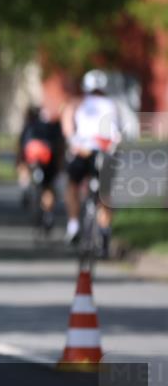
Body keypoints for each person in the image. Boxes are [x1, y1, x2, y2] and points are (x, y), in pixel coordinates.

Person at [61, 69, 122, 256]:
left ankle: (73, 225)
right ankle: (104, 231)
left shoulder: (78, 103)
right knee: (105, 194)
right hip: (105, 153)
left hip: (83, 152)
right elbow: (117, 133)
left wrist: (73, 142)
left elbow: (68, 127)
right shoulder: (113, 105)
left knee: (72, 186)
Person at [16, 104, 64, 231]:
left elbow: (22, 146)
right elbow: (60, 146)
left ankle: (25, 186)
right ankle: (48, 214)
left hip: (33, 159)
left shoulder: (30, 125)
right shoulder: (55, 124)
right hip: (49, 160)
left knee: (24, 167)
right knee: (48, 187)